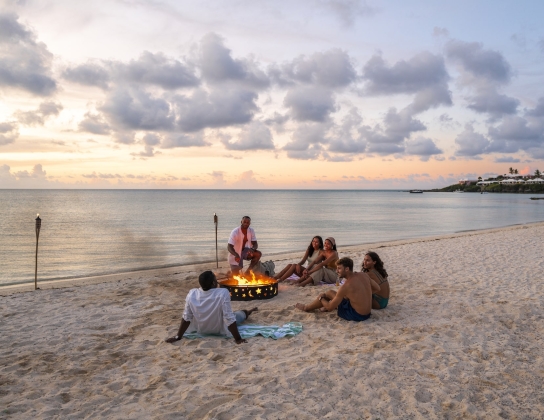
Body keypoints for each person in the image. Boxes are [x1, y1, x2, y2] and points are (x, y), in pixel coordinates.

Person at [165, 271, 257, 344]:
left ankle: (249, 311)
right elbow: (228, 317)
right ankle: (248, 311)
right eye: (215, 280)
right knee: (241, 314)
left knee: (233, 314)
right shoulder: (223, 293)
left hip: (201, 330)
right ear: (213, 283)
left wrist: (178, 336)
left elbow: (186, 318)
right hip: (219, 329)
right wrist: (238, 339)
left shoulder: (192, 294)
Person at [295, 257, 380, 321]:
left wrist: (321, 298)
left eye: (339, 268)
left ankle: (306, 308)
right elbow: (377, 288)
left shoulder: (346, 286)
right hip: (367, 313)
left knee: (327, 295)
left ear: (347, 269)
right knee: (331, 293)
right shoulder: (363, 275)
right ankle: (318, 305)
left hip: (356, 315)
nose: (337, 271)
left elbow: (330, 307)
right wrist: (362, 296)